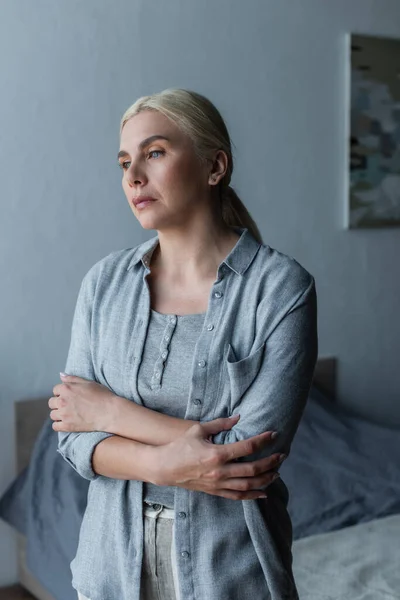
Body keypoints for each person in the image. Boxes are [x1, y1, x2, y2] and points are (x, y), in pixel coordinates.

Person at [49, 88, 318, 600]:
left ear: (214, 166)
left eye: (154, 153)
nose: (132, 177)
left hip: (232, 575)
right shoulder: (103, 284)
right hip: (109, 571)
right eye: (125, 161)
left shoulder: (281, 289)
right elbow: (71, 437)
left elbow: (245, 461)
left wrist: (110, 412)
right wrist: (161, 465)